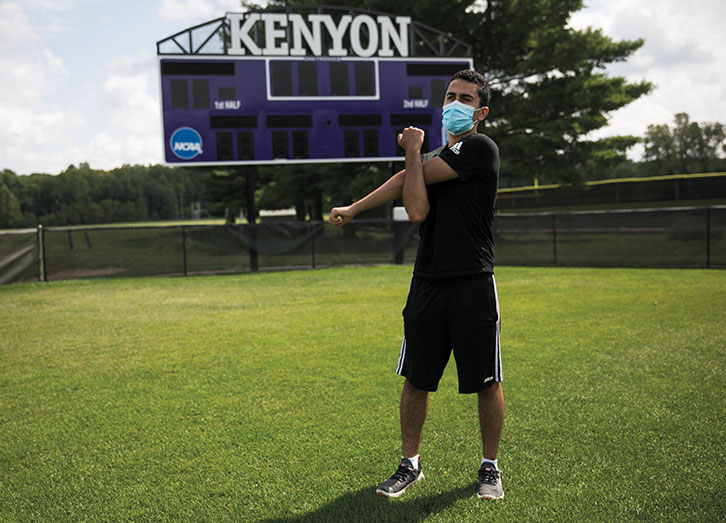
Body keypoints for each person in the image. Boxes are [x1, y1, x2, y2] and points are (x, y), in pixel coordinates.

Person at [328, 69, 504, 500]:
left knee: (486, 380)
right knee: (417, 378)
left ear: (480, 111)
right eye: (449, 95)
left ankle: (490, 468)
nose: (454, 104)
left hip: (472, 282)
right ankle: (410, 465)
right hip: (427, 282)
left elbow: (414, 202)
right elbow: (415, 201)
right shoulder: (436, 158)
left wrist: (411, 151)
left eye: (465, 98)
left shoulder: (479, 147)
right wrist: (354, 207)